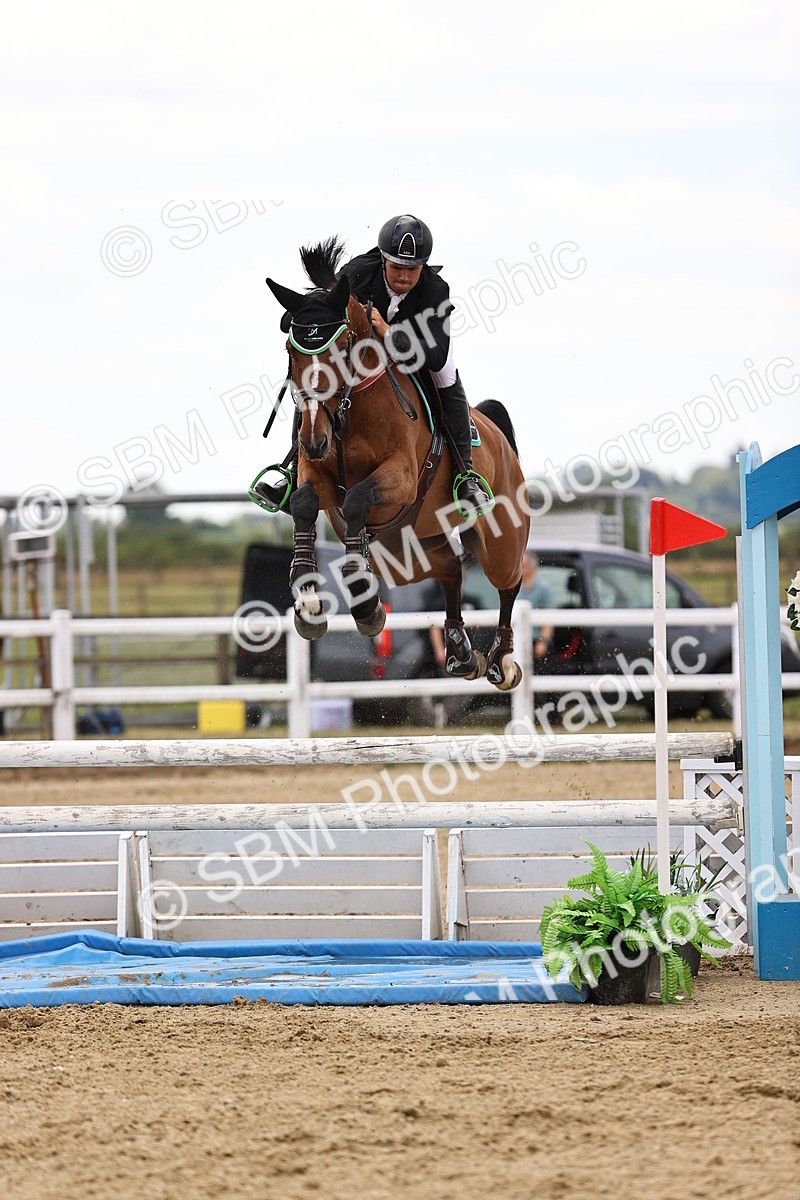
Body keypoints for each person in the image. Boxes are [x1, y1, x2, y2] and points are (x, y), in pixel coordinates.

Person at [253, 214, 491, 516]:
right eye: (397, 268)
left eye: (412, 269)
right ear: (382, 260)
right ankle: (293, 476)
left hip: (420, 348)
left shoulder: (435, 290)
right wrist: (298, 316)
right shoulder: (357, 273)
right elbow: (323, 308)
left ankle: (465, 476)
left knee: (445, 376)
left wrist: (390, 333)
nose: (404, 276)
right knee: (317, 383)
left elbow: (436, 354)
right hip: (363, 350)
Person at [519, 550, 554, 662]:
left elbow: (549, 618)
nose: (519, 568)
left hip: (536, 639)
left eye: (523, 565)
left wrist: (543, 641)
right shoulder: (514, 587)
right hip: (517, 639)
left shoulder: (544, 588)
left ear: (531, 567)